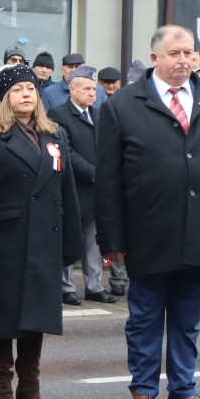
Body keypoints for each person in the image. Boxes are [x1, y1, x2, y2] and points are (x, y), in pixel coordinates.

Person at [95, 25, 200, 399]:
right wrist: (111, 236)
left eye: (190, 53)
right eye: (175, 53)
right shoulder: (123, 105)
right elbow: (108, 178)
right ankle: (144, 391)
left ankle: (183, 391)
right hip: (149, 233)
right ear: (155, 59)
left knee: (187, 320)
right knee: (145, 317)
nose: (184, 60)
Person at [0, 64, 81, 399]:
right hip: (7, 244)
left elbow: (68, 192)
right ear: (5, 98)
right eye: (17, 90)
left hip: (45, 242)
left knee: (36, 319)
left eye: (30, 89)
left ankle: (29, 388)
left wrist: (71, 244)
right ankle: (2, 390)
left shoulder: (54, 135)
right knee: (3, 321)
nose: (26, 95)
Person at [48, 65, 115, 306]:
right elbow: (67, 152)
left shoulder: (99, 115)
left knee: (93, 242)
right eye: (86, 89)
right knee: (70, 239)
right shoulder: (58, 115)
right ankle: (66, 288)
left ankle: (94, 286)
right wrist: (95, 174)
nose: (92, 93)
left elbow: (109, 148)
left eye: (94, 89)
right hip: (73, 188)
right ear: (72, 90)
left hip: (97, 191)